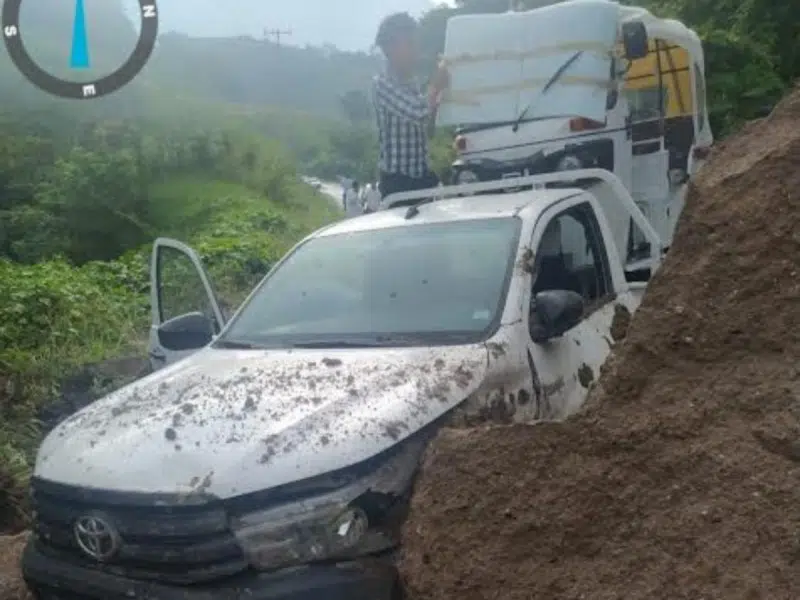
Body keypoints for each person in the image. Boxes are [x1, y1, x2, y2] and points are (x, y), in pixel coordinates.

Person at [372, 12, 450, 202]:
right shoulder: (382, 84)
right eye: (409, 44)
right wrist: (436, 86)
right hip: (399, 185)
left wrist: (439, 101)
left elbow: (427, 128)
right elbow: (419, 113)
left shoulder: (411, 83)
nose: (415, 50)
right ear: (390, 48)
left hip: (422, 179)